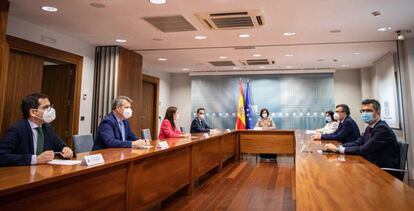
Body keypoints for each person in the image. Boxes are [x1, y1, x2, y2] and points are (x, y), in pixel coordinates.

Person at [324, 99, 399, 177]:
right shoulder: (370, 127)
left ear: (378, 112)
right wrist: (339, 147)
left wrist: (337, 149)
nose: (365, 113)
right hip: (370, 165)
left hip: (383, 171)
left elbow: (364, 149)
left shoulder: (382, 129)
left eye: (369, 111)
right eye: (363, 111)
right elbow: (358, 142)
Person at [0, 93, 73, 166]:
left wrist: (67, 150)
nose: (50, 110)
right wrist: (35, 159)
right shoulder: (17, 129)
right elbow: (2, 156)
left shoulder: (47, 128)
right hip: (22, 173)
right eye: (46, 107)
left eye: (50, 106)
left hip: (43, 171)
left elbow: (60, 146)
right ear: (33, 112)